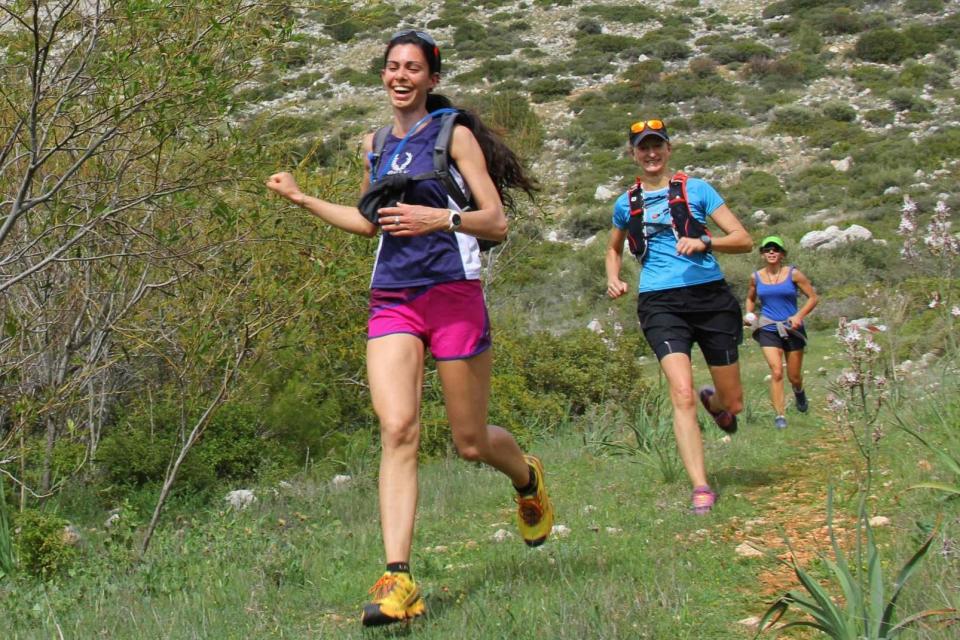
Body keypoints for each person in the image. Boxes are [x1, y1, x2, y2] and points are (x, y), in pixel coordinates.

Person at [265, 29, 553, 627]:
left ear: (432, 79)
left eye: (413, 68)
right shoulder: (374, 143)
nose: (401, 76)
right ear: (383, 74)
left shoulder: (455, 136)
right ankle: (397, 579)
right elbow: (370, 223)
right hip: (393, 296)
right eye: (393, 66)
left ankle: (526, 477)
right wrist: (302, 199)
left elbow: (494, 222)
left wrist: (440, 218)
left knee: (470, 441)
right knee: (397, 428)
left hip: (452, 292)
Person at [605, 118, 753, 515]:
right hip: (659, 302)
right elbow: (613, 249)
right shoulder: (625, 203)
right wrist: (614, 278)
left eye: (657, 146)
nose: (650, 154)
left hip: (710, 298)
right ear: (633, 154)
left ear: (668, 149)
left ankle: (718, 403)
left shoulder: (698, 190)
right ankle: (701, 487)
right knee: (681, 393)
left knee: (735, 403)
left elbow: (743, 239)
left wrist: (706, 241)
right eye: (642, 148)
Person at [744, 235, 818, 430]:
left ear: (782, 254)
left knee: (794, 375)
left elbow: (812, 298)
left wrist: (799, 315)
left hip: (792, 328)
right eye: (767, 249)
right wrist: (749, 313)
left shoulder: (794, 274)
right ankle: (780, 416)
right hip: (767, 327)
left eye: (775, 249)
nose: (771, 252)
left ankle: (799, 391)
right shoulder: (756, 277)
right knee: (776, 371)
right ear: (762, 254)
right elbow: (750, 298)